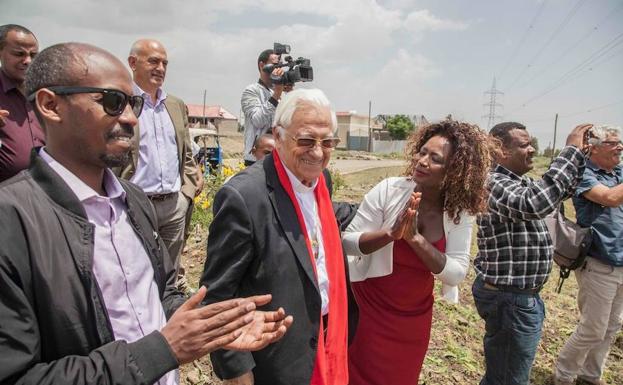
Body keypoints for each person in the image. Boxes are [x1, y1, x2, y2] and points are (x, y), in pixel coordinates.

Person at [0, 42, 292, 385]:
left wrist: (218, 325)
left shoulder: (132, 201)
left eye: (133, 103)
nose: (130, 118)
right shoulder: (12, 221)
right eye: (112, 102)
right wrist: (162, 351)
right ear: (51, 105)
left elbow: (161, 294)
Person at [201, 88, 352, 385]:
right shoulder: (245, 197)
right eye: (306, 140)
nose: (318, 152)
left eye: (328, 142)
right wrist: (238, 374)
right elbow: (217, 298)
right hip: (273, 363)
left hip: (324, 345)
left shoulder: (321, 182)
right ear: (278, 135)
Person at [343, 120, 493, 385]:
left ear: (454, 170)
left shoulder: (458, 213)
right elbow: (348, 242)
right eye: (422, 152)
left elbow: (456, 273)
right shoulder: (390, 190)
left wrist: (415, 239)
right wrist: (390, 235)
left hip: (412, 318)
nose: (422, 161)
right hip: (368, 309)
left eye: (434, 158)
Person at [473, 121, 592, 385]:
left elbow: (559, 192)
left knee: (504, 375)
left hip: (518, 298)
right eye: (524, 145)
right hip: (510, 299)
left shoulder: (519, 182)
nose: (533, 150)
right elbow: (533, 204)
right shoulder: (492, 182)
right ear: (499, 150)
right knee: (509, 379)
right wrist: (569, 152)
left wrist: (580, 154)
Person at [118, 39, 202, 283]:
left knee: (170, 273)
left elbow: (185, 151)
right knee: (135, 270)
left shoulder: (174, 105)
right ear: (133, 63)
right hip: (136, 203)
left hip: (173, 205)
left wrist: (186, 193)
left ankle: (168, 316)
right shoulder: (121, 101)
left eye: (165, 63)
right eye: (153, 61)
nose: (161, 68)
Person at [553, 125, 623, 385]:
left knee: (611, 327)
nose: (620, 147)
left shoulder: (619, 172)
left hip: (620, 262)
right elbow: (609, 198)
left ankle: (590, 376)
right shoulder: (584, 174)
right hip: (599, 262)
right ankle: (563, 375)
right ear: (594, 148)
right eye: (613, 143)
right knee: (593, 328)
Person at [0, 24, 45, 182]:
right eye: (19, 54)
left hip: (46, 194)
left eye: (33, 55)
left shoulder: (46, 95)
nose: (27, 61)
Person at [241, 48, 285, 166]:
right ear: (262, 65)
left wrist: (289, 94)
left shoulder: (280, 93)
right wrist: (276, 95)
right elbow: (258, 121)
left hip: (277, 157)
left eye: (280, 66)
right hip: (256, 158)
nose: (278, 69)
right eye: (274, 65)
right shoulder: (251, 91)